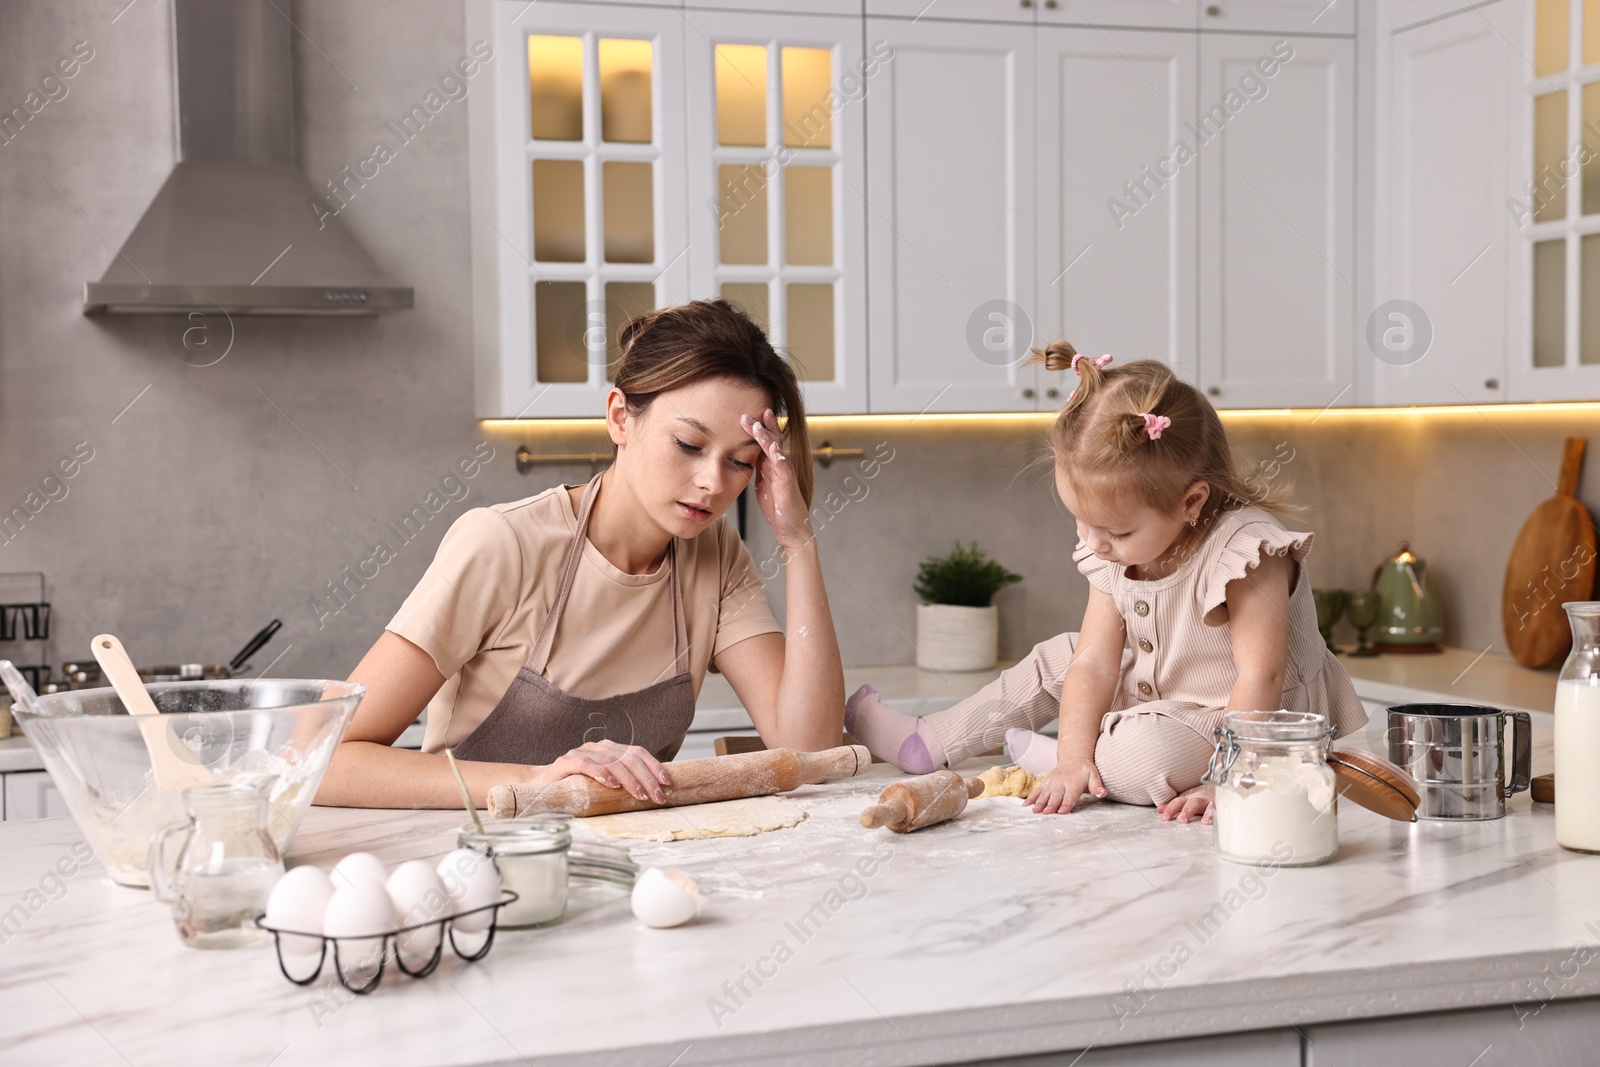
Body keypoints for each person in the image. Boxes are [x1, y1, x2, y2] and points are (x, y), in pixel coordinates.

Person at [318, 300, 845, 809]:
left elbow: (814, 754)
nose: (712, 482)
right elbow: (319, 758)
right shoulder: (503, 545)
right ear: (620, 417)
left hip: (634, 871)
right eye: (688, 445)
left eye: (740, 462)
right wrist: (543, 782)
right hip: (481, 864)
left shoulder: (717, 558)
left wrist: (797, 541)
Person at [844, 345, 1365, 823]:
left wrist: (1224, 782)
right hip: (1156, 694)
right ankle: (930, 740)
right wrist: (1073, 757)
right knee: (1059, 658)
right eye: (1080, 522)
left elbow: (1262, 679)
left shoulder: (1247, 551)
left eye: (1116, 531)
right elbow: (1094, 660)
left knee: (1149, 751)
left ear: (1191, 501)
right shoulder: (1114, 551)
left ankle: (1088, 757)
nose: (1095, 544)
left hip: (1243, 722)